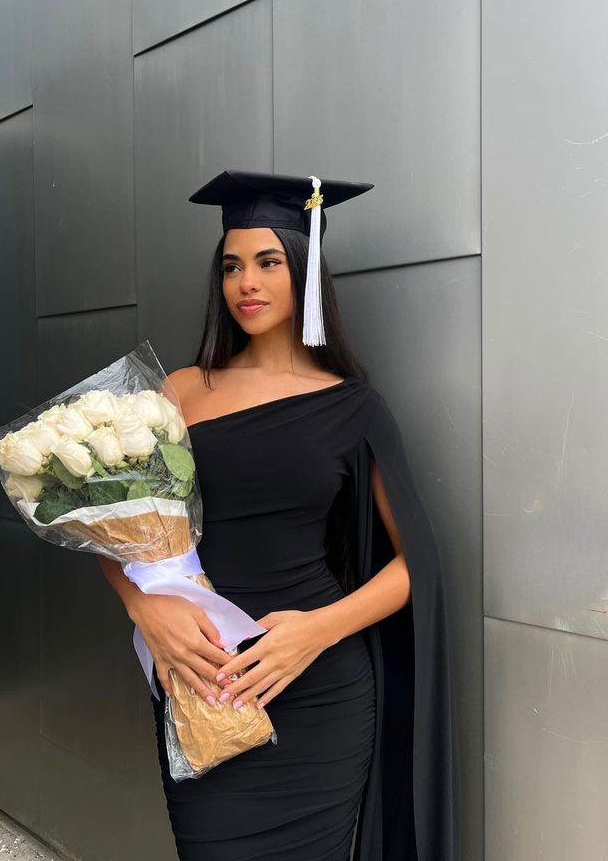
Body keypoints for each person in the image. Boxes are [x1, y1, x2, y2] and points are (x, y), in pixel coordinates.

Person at [98, 171, 461, 860]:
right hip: (206, 683)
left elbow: (418, 565)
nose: (246, 283)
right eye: (232, 266)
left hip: (320, 690)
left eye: (268, 262)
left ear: (304, 271)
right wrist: (143, 606)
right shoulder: (181, 391)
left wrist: (315, 633)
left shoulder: (354, 406)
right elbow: (111, 525)